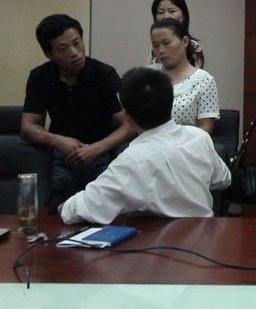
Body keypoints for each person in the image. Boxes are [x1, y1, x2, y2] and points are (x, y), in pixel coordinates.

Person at [59, 67, 231, 224]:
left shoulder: (133, 159)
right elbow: (223, 179)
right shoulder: (199, 137)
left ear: (127, 115)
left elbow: (79, 209)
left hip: (161, 243)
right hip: (206, 238)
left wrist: (62, 207)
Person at [20, 14, 135, 207]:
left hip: (101, 156)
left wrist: (96, 148)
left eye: (77, 43)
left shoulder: (104, 74)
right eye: (63, 49)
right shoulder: (40, 77)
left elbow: (130, 124)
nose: (75, 53)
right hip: (62, 159)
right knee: (57, 214)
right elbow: (28, 127)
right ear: (49, 54)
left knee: (106, 212)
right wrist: (58, 140)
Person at [149, 18, 219, 134]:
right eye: (155, 45)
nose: (161, 51)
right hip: (148, 141)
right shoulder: (147, 76)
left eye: (166, 43)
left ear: (185, 41)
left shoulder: (204, 80)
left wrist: (176, 138)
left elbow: (206, 128)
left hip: (185, 143)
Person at [150, 0, 204, 68]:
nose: (166, 16)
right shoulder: (155, 50)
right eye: (160, 12)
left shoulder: (193, 48)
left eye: (172, 11)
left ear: (183, 15)